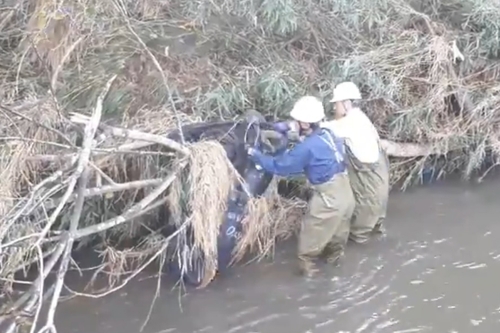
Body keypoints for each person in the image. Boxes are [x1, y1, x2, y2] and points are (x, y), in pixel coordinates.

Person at [247, 96, 355, 277]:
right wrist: (291, 135)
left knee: (307, 247)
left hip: (329, 199)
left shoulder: (307, 148)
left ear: (305, 123)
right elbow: (313, 149)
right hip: (346, 194)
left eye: (296, 121)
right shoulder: (327, 133)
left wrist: (256, 155)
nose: (293, 123)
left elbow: (281, 167)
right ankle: (336, 272)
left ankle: (309, 282)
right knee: (336, 241)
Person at [321, 82, 390, 244]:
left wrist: (295, 126)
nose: (334, 108)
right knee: (375, 224)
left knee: (360, 233)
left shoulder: (350, 123)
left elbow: (323, 129)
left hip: (369, 186)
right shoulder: (360, 118)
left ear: (346, 103)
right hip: (380, 183)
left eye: (336, 104)